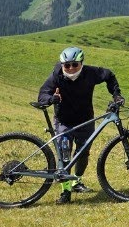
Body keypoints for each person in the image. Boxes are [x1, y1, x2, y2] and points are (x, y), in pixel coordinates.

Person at [36, 46, 124, 204]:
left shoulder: (90, 73)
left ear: (81, 63)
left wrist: (116, 94)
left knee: (83, 154)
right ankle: (66, 191)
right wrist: (51, 99)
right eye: (66, 65)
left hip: (85, 119)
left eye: (74, 64)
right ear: (62, 65)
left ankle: (76, 182)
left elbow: (109, 75)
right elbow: (43, 94)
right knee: (65, 155)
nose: (70, 68)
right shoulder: (57, 75)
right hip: (63, 121)